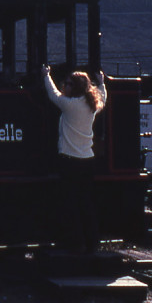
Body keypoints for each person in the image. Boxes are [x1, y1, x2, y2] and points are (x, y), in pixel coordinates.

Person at [42, 65, 107, 253]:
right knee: (85, 202)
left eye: (69, 84)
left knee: (70, 203)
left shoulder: (70, 106)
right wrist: (102, 82)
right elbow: (102, 95)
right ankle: (92, 242)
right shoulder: (92, 105)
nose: (65, 86)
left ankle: (75, 242)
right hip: (87, 160)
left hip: (69, 161)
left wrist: (46, 75)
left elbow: (52, 94)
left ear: (76, 87)